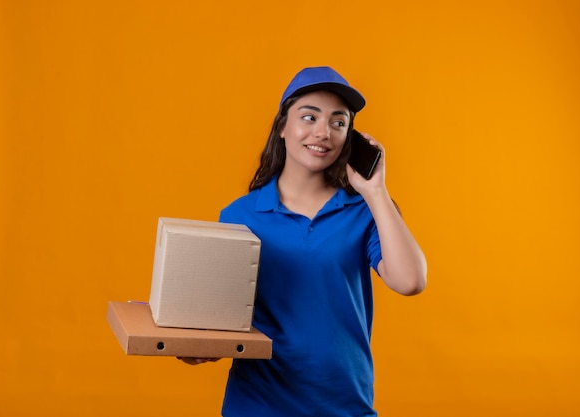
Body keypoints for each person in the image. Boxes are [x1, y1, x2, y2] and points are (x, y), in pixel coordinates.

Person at [180, 66, 427, 416]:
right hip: (258, 405)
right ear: (283, 127)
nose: (323, 132)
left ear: (349, 137)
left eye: (338, 122)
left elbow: (411, 281)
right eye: (309, 117)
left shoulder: (365, 211)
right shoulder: (239, 216)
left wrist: (376, 192)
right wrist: (196, 347)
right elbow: (221, 320)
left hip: (344, 406)